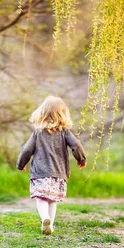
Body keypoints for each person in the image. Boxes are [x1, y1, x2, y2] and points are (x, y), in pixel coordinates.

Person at [16, 95, 87, 235]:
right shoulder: (64, 132)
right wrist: (81, 159)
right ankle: (51, 225)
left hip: (40, 172)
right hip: (58, 173)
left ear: (43, 112)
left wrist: (20, 164)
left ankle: (45, 219)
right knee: (52, 199)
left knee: (41, 197)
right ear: (62, 113)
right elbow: (76, 145)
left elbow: (26, 149)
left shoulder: (38, 132)